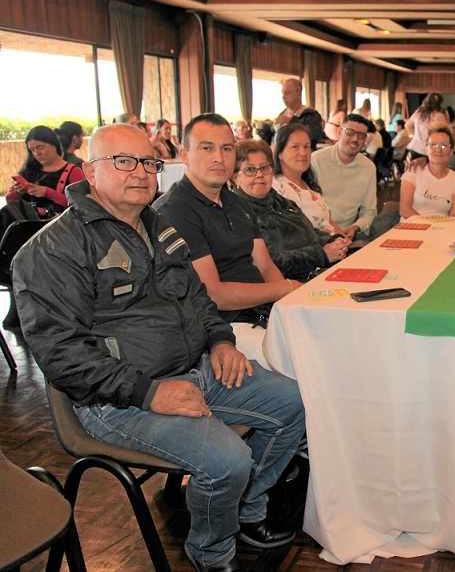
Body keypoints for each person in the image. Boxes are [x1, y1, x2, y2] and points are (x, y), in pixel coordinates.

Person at [13, 124, 305, 572]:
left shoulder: (158, 225)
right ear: (90, 172)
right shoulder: (52, 250)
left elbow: (198, 299)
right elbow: (61, 354)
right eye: (123, 161)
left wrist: (221, 341)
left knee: (296, 402)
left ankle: (246, 505)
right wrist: (149, 392)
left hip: (197, 370)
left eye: (148, 162)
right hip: (118, 400)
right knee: (228, 459)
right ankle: (211, 552)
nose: (140, 172)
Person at [154, 113, 299, 364]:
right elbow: (215, 293)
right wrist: (286, 288)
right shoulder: (175, 210)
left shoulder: (236, 202)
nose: (219, 158)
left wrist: (289, 304)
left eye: (227, 148)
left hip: (264, 312)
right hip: (223, 329)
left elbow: (265, 266)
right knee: (301, 364)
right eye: (207, 148)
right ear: (185, 155)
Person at [234, 139, 348, 280]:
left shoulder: (281, 201)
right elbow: (271, 263)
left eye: (265, 167)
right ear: (235, 178)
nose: (259, 174)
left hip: (319, 272)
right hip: (290, 284)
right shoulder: (240, 213)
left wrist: (334, 242)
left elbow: (310, 232)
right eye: (250, 169)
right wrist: (322, 254)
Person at [309, 113, 378, 241]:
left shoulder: (368, 168)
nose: (355, 139)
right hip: (316, 232)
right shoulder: (316, 160)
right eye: (350, 132)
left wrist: (355, 227)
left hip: (348, 234)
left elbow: (369, 212)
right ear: (339, 132)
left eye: (361, 135)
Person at [271, 123, 344, 236]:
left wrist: (345, 242)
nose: (303, 153)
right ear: (280, 153)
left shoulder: (308, 185)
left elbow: (329, 221)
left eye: (306, 147)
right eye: (295, 147)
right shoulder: (277, 187)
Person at [4, 125, 85, 223]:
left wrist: (49, 193)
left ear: (54, 145)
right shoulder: (29, 170)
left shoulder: (73, 171)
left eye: (40, 147)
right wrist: (18, 192)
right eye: (32, 150)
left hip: (60, 227)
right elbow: (9, 199)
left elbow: (82, 205)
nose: (37, 153)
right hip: (27, 225)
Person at [399, 124, 455, 219]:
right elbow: (404, 210)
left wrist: (436, 226)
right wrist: (428, 224)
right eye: (433, 145)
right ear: (426, 149)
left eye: (444, 145)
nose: (438, 149)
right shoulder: (413, 171)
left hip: (441, 227)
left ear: (451, 151)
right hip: (412, 225)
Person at [274, 78, 326, 149]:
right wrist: (263, 130)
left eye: (287, 93)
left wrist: (291, 121)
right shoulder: (282, 114)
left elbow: (313, 136)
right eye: (283, 93)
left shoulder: (310, 115)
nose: (283, 97)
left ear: (299, 93)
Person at [406, 93, 447, 160]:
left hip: (414, 147)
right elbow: (445, 132)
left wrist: (417, 135)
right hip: (427, 151)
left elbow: (407, 125)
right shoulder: (439, 116)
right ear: (439, 104)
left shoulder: (418, 113)